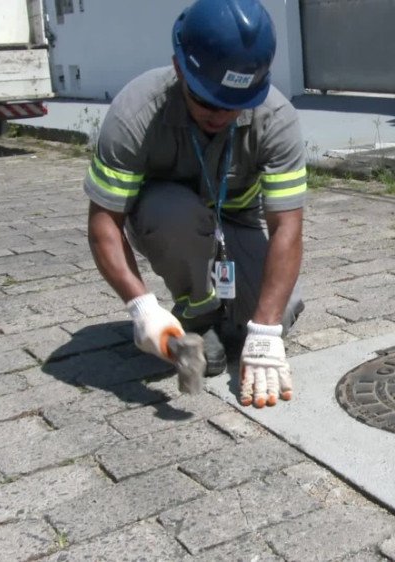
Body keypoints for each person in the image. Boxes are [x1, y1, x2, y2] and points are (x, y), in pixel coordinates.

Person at [84, 0, 306, 408]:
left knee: (281, 308)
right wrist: (141, 307)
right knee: (173, 212)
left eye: (235, 103)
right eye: (208, 101)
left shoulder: (277, 119)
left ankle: (234, 319)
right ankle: (199, 316)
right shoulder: (135, 113)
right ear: (179, 67)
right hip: (170, 222)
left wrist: (266, 331)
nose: (221, 115)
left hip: (235, 219)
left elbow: (286, 227)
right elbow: (104, 223)